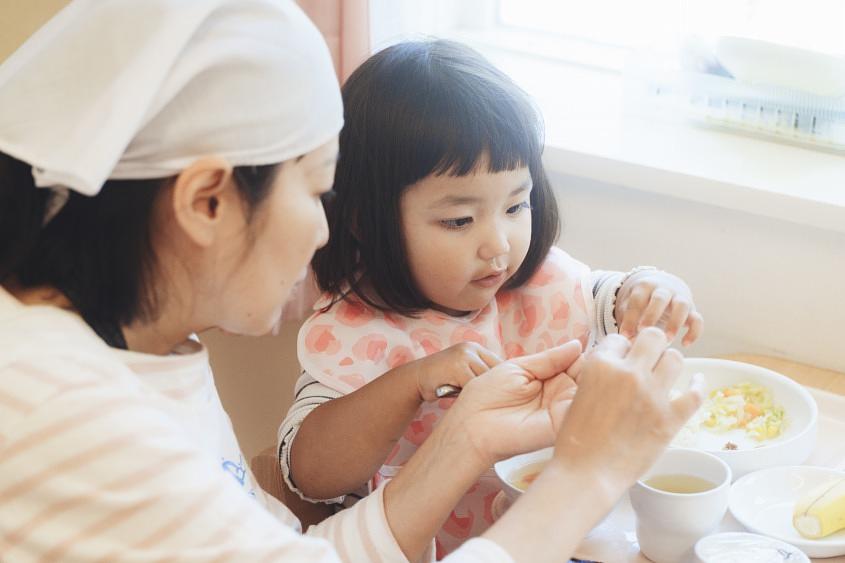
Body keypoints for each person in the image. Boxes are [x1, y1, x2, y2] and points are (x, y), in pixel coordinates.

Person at [0, 1, 701, 562]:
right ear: (207, 201)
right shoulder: (62, 413)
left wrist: (468, 437)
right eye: (315, 191)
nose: (323, 233)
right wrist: (587, 472)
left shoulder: (152, 346)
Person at [279, 40, 704, 555]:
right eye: (459, 219)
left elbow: (606, 298)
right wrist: (411, 382)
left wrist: (651, 289)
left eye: (515, 205)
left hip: (567, 535)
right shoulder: (356, 331)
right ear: (365, 222)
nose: (498, 245)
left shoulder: (536, 281)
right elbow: (310, 474)